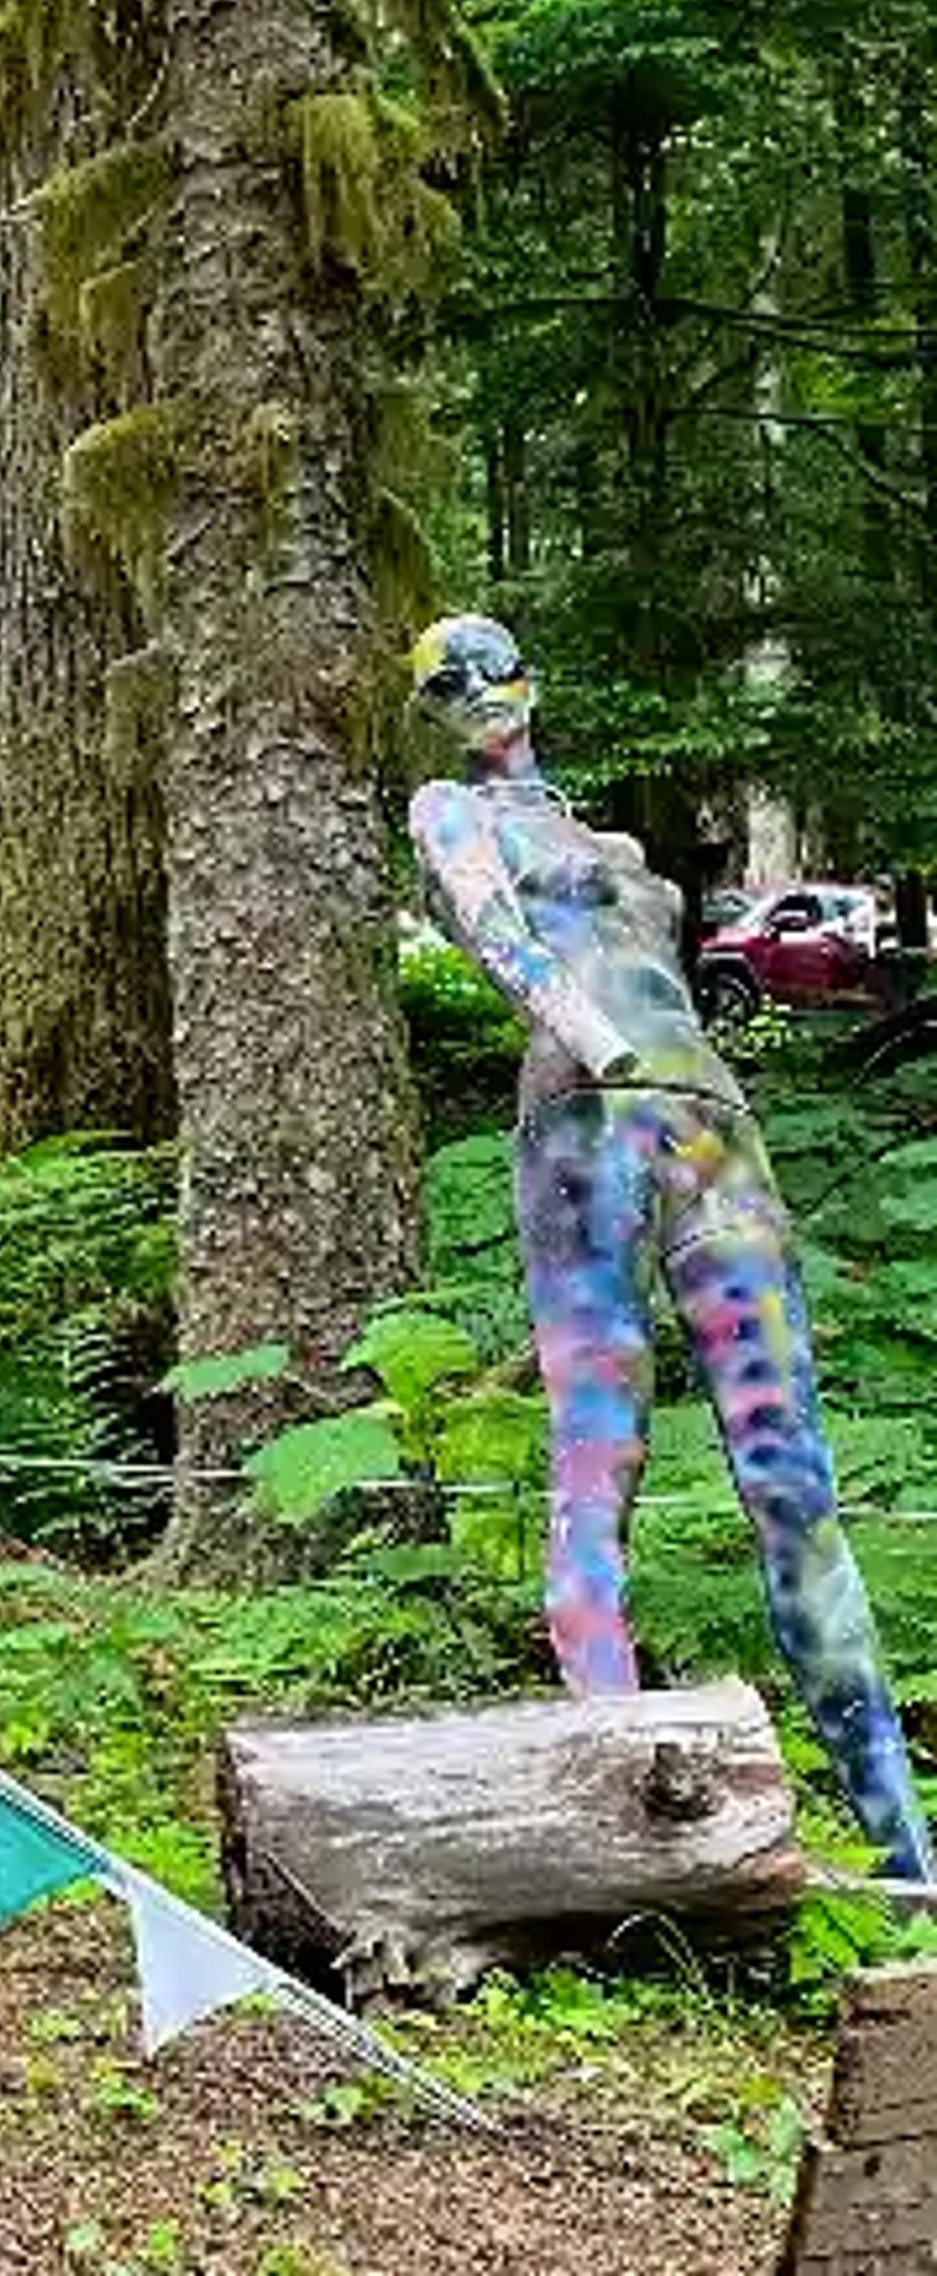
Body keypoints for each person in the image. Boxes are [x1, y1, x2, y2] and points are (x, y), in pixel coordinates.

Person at [406, 612, 929, 1886]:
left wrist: (662, 1062)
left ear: (529, 675)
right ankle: (626, 1821)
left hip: (712, 1128)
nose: (474, 688)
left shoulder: (618, 843)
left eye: (490, 660)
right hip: (585, 1123)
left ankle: (904, 1852)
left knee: (791, 1478)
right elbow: (493, 931)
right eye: (441, 679)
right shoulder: (450, 809)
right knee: (600, 1451)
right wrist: (598, 1040)